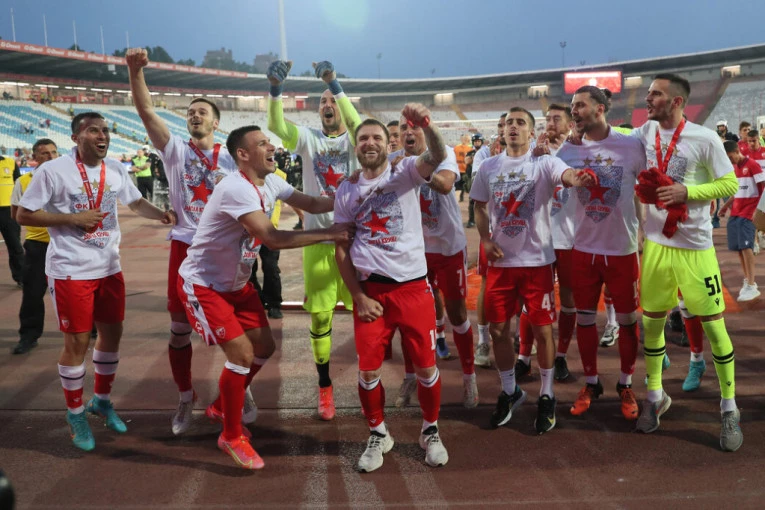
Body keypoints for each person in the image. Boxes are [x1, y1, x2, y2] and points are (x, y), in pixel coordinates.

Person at [177, 125, 352, 469]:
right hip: (206, 285)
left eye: (270, 142)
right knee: (241, 354)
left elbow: (312, 202)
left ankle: (222, 406)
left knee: (264, 348)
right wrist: (330, 234)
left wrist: (353, 196)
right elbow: (273, 238)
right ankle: (230, 436)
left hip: (237, 284)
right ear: (243, 155)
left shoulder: (270, 181)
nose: (272, 147)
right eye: (262, 144)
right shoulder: (235, 188)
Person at [16, 112, 175, 452]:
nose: (103, 135)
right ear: (76, 137)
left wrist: (161, 214)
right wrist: (72, 218)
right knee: (77, 343)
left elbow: (135, 201)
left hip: (109, 267)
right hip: (71, 269)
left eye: (105, 130)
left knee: (112, 335)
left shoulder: (115, 168)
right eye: (93, 130)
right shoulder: (52, 170)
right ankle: (75, 413)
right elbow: (24, 214)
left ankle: (101, 401)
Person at [126, 47, 241, 436]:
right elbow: (146, 112)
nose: (194, 115)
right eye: (190, 111)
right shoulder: (174, 150)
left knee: (236, 327)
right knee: (178, 330)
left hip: (224, 250)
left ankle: (239, 389)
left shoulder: (233, 158)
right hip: (185, 247)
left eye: (202, 111)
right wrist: (135, 72)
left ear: (216, 121)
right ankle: (185, 397)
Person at [333, 109, 449, 472]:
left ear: (389, 145)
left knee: (427, 368)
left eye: (377, 138)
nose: (369, 143)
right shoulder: (347, 188)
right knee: (368, 372)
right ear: (355, 146)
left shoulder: (406, 171)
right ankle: (378, 433)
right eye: (363, 138)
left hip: (413, 290)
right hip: (372, 294)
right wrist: (358, 296)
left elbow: (437, 155)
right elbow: (340, 247)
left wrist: (428, 126)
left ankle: (430, 431)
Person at [633, 73, 742, 451]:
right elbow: (613, 137)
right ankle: (655, 395)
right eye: (648, 93)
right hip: (657, 246)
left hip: (695, 248)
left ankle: (729, 407)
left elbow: (729, 183)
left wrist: (688, 191)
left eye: (655, 94)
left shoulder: (705, 138)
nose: (648, 99)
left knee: (714, 327)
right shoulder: (645, 132)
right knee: (651, 324)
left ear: (676, 101)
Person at [470, 107, 595, 435]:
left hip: (537, 264)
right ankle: (510, 391)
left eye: (520, 123)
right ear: (503, 130)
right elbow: (479, 205)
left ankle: (547, 394)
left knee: (542, 331)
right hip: (501, 265)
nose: (513, 127)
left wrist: (577, 178)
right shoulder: (488, 167)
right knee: (498, 331)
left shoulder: (544, 163)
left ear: (530, 131)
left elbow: (566, 175)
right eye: (509, 122)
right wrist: (485, 238)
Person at [267, 59, 362, 420]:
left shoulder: (357, 138)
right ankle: (325, 386)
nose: (327, 105)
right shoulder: (308, 139)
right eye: (322, 101)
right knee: (321, 319)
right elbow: (276, 125)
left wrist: (334, 83)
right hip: (318, 244)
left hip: (356, 244)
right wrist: (276, 89)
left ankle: (368, 380)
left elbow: (357, 124)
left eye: (332, 100)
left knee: (365, 316)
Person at [554, 87, 646, 422]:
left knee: (627, 320)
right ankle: (591, 383)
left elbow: (645, 186)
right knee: (585, 319)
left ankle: (625, 382)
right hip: (583, 249)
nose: (574, 111)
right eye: (572, 106)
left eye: (580, 105)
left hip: (621, 250)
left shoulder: (631, 145)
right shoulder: (568, 150)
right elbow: (550, 183)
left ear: (600, 108)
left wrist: (645, 230)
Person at [390, 108, 477, 409]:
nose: (409, 132)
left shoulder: (443, 154)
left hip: (449, 248)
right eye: (403, 128)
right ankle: (410, 376)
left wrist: (415, 172)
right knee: (410, 319)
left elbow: (446, 183)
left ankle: (469, 377)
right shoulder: (393, 160)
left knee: (458, 315)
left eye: (414, 127)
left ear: (426, 131)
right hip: (415, 252)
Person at [520, 104, 577, 381]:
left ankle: (561, 356)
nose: (550, 123)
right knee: (530, 301)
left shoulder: (577, 151)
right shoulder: (532, 152)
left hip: (568, 238)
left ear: (570, 124)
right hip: (538, 238)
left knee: (568, 300)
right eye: (547, 119)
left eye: (557, 119)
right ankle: (523, 357)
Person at [10, 139, 59, 354]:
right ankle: (28, 335)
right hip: (38, 245)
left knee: (80, 288)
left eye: (54, 152)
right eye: (45, 153)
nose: (50, 157)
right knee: (32, 292)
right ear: (34, 157)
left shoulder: (69, 177)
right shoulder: (23, 181)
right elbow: (15, 214)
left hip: (68, 244)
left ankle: (91, 328)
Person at [719, 140, 763, 301]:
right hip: (736, 212)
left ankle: (751, 284)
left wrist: (759, 211)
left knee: (746, 247)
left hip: (748, 213)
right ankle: (747, 280)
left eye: (731, 157)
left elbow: (763, 188)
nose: (730, 161)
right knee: (738, 248)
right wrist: (725, 207)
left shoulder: (753, 165)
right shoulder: (734, 168)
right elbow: (735, 191)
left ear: (737, 151)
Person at [249, 165, 289, 319]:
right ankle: (258, 299)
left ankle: (274, 304)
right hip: (249, 232)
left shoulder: (279, 175)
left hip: (271, 232)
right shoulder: (245, 173)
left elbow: (290, 197)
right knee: (248, 269)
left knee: (271, 268)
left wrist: (303, 216)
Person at [0, 149, 23, 287]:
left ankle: (21, 278)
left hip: (8, 212)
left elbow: (18, 185)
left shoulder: (10, 163)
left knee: (15, 246)